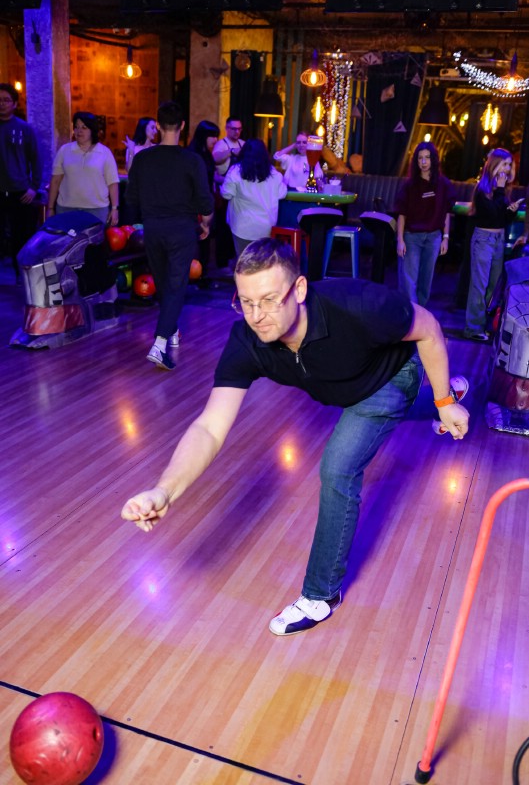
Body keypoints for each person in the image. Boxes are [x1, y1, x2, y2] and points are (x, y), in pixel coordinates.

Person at [121, 237, 469, 636]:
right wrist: (165, 491)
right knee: (387, 415)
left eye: (270, 300)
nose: (258, 316)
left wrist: (442, 400)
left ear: (299, 289)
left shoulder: (356, 303)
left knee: (338, 467)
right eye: (246, 302)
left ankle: (321, 595)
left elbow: (429, 329)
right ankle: (445, 400)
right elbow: (209, 427)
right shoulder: (247, 342)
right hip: (342, 386)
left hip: (391, 376)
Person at [125, 101, 214, 371]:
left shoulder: (143, 159)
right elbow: (205, 201)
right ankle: (160, 343)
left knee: (164, 283)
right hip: (182, 229)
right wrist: (205, 224)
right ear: (182, 126)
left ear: (158, 125)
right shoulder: (192, 160)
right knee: (175, 285)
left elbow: (131, 198)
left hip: (153, 229)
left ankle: (171, 330)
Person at [464, 147, 523, 341]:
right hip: (484, 239)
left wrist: (511, 210)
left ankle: (484, 324)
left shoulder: (502, 190)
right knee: (479, 285)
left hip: (498, 239)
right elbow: (491, 215)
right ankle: (473, 328)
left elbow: (501, 219)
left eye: (509, 165)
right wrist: (500, 192)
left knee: (494, 285)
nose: (507, 168)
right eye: (504, 164)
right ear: (494, 165)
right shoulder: (483, 190)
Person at [395, 142, 456, 306]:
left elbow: (446, 213)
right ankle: (410, 314)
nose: (423, 162)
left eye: (427, 158)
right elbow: (401, 214)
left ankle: (421, 313)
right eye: (420, 158)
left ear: (433, 159)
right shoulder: (409, 186)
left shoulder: (443, 184)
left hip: (434, 237)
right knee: (409, 281)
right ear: (415, 161)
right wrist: (400, 240)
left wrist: (446, 237)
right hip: (411, 237)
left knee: (426, 281)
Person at [0, 83, 42, 282]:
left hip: (20, 193)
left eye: (6, 100)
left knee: (21, 237)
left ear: (15, 104)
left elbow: (36, 159)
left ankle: (21, 278)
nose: (2, 104)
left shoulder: (24, 129)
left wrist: (34, 187)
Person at [47, 111, 120, 226]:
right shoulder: (64, 150)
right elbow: (55, 181)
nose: (79, 131)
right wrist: (50, 207)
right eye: (76, 127)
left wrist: (115, 208)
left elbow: (112, 183)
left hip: (96, 210)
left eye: (84, 127)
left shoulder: (104, 153)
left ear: (92, 130)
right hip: (67, 209)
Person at [220, 138, 287, 257]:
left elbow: (226, 194)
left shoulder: (235, 171)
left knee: (243, 262)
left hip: (242, 227)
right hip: (266, 228)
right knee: (261, 263)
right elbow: (282, 194)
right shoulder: (274, 174)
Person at [187, 120, 220, 285]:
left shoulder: (206, 154)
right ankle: (196, 276)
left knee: (205, 241)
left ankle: (202, 275)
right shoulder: (193, 155)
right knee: (198, 239)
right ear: (203, 136)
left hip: (206, 200)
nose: (215, 140)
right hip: (195, 204)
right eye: (212, 136)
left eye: (216, 136)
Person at [212, 116, 245, 274]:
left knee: (235, 226)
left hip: (239, 193)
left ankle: (233, 260)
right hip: (223, 193)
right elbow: (215, 159)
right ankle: (222, 262)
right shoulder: (221, 144)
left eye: (239, 129)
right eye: (233, 128)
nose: (236, 132)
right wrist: (231, 152)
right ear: (226, 128)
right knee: (222, 228)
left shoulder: (243, 144)